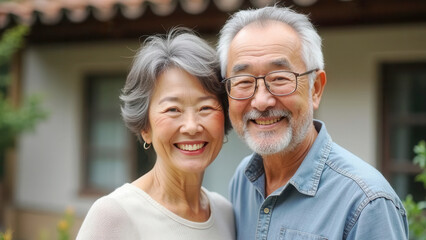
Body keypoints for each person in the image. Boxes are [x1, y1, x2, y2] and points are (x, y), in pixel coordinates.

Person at [217, 6, 409, 240]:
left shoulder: (366, 203)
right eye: (244, 81)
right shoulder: (243, 181)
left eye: (279, 78)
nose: (261, 101)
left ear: (315, 88)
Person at [77, 28, 235, 239]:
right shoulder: (114, 215)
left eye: (205, 108)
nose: (191, 126)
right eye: (173, 110)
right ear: (145, 128)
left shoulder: (225, 213)